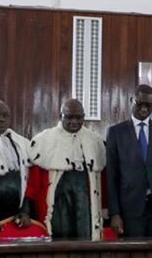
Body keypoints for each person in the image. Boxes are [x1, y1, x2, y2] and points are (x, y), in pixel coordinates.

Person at [23, 99, 106, 240]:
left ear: (84, 117)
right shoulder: (44, 140)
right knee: (59, 239)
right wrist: (25, 210)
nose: (74, 121)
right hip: (57, 201)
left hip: (86, 203)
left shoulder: (95, 142)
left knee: (85, 240)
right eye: (69, 117)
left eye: (78, 117)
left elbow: (102, 183)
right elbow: (33, 182)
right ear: (60, 116)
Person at [106, 85, 152, 237]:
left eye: (149, 105)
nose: (144, 108)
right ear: (132, 100)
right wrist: (114, 213)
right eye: (140, 104)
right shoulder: (116, 132)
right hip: (129, 210)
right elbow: (111, 176)